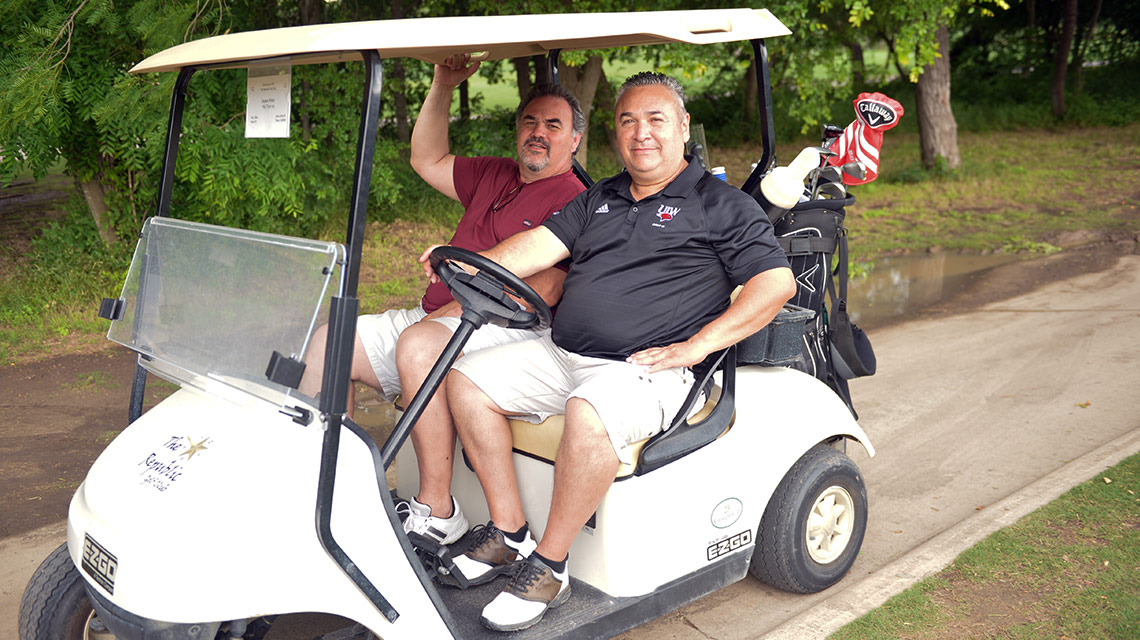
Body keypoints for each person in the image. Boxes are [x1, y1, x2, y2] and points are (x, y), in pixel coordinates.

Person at [422, 72, 796, 632]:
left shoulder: (721, 205)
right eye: (628, 121)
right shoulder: (601, 196)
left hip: (645, 369)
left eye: (655, 119)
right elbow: (536, 247)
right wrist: (474, 263)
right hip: (563, 353)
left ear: (683, 127)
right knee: (465, 378)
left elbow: (775, 284)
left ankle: (550, 566)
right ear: (615, 133)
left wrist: (694, 347)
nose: (641, 133)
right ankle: (510, 533)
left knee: (590, 409)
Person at [299, 54, 586, 547]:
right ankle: (330, 487)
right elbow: (425, 159)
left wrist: (458, 307)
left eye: (554, 125)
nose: (539, 132)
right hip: (439, 314)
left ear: (575, 139)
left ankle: (438, 508)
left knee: (417, 345)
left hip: (502, 325)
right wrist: (443, 84)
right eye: (530, 122)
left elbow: (549, 287)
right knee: (330, 344)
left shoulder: (575, 198)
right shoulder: (496, 174)